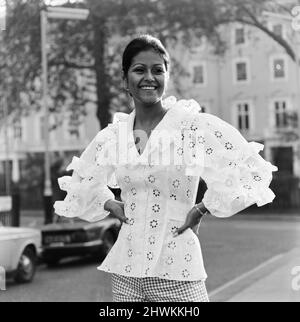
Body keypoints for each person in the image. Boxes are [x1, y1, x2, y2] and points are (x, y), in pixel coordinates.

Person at [54, 34, 277, 302]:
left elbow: (250, 170)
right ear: (125, 80)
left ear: (166, 77)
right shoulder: (114, 136)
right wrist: (108, 202)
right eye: (139, 70)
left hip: (178, 272)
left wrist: (201, 207)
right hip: (126, 273)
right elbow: (82, 183)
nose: (149, 77)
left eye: (157, 70)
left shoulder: (192, 127)